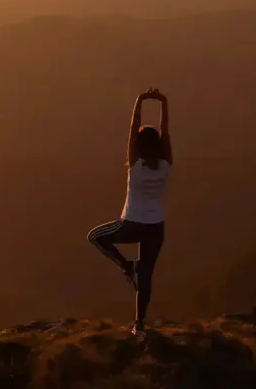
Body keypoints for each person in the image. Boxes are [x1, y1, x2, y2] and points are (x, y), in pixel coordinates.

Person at [86, 87, 173, 335]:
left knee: (95, 237)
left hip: (132, 224)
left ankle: (125, 266)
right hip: (156, 228)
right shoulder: (166, 163)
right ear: (158, 145)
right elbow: (165, 132)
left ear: (138, 145)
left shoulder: (135, 164)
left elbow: (132, 130)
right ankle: (139, 324)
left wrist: (140, 100)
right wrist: (163, 103)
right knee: (146, 276)